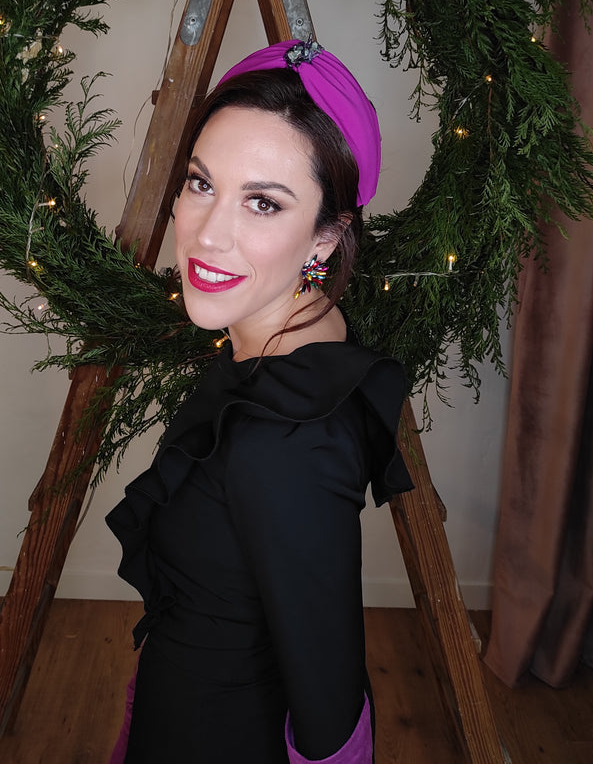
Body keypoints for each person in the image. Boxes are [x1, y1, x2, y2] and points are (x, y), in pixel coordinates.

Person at [105, 39, 413, 764]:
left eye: (264, 203)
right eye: (200, 183)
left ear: (326, 238)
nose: (208, 235)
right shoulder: (303, 337)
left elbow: (330, 703)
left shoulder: (284, 441)